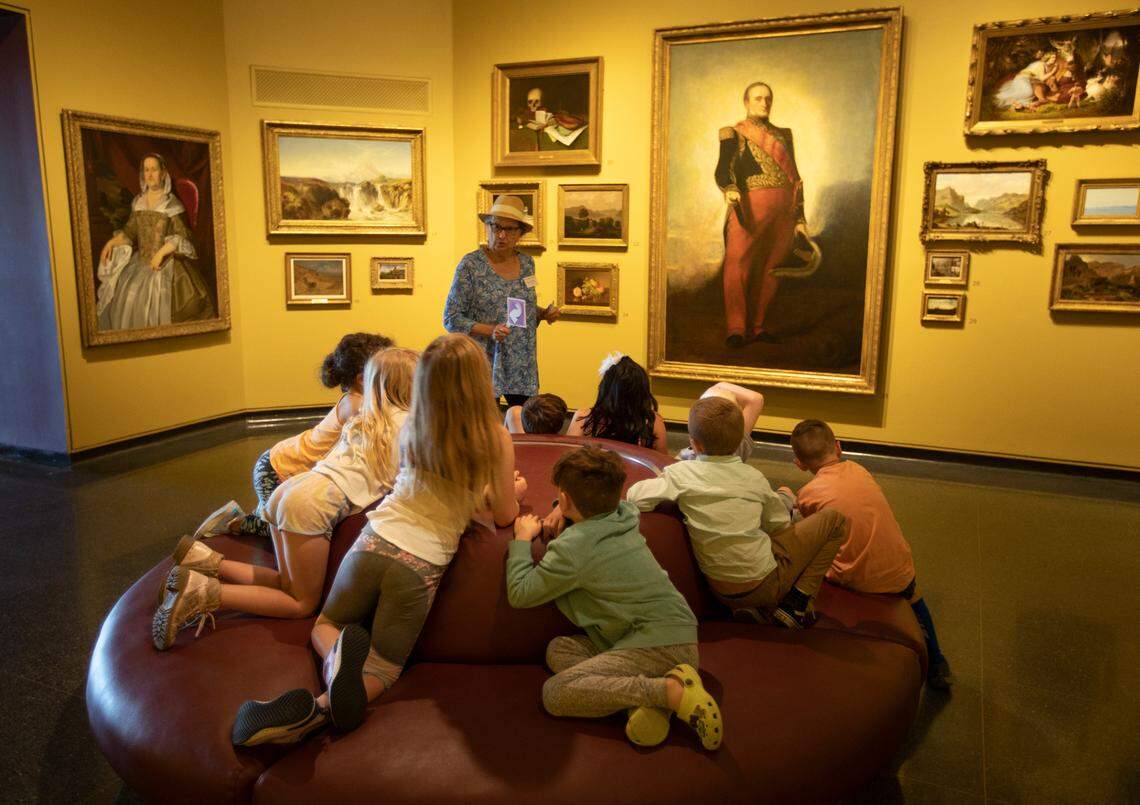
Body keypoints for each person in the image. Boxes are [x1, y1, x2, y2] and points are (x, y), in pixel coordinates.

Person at [230, 334, 525, 745]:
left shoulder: (413, 426)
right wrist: (513, 490)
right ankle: (318, 711)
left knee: (326, 624)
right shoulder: (494, 438)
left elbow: (426, 478)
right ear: (479, 380)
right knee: (382, 668)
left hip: (373, 539)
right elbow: (504, 514)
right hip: (419, 562)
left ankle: (335, 657)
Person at [152, 348, 418, 650]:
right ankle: (204, 594)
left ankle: (204, 561)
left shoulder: (364, 416)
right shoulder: (408, 424)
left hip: (292, 489)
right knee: (300, 603)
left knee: (286, 582)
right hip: (310, 504)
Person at [507, 446, 722, 750]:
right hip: (666, 634)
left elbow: (520, 593)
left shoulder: (573, 549)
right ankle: (638, 705)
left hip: (655, 644)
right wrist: (562, 506)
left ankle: (670, 693)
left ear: (566, 498)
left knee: (555, 694)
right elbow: (602, 507)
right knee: (560, 648)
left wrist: (521, 540)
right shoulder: (624, 513)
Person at [626, 397, 846, 629]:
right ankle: (797, 603)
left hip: (720, 589)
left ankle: (756, 609)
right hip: (764, 584)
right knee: (834, 521)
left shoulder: (680, 474)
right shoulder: (753, 478)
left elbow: (634, 496)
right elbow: (780, 525)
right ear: (740, 441)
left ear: (695, 444)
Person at [780, 419, 951, 689]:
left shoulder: (808, 493)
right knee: (915, 598)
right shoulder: (860, 470)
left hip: (853, 578)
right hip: (899, 570)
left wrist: (790, 500)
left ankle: (796, 611)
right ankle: (938, 662)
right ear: (838, 447)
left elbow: (806, 530)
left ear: (799, 464)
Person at [193, 333, 393, 541]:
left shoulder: (361, 399)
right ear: (362, 379)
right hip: (276, 470)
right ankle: (235, 522)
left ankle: (255, 512)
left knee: (280, 518)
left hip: (286, 463)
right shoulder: (356, 404)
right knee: (286, 531)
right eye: (389, 372)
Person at [715, 82, 816, 346]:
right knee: (738, 264)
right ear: (746, 102)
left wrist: (800, 219)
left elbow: (795, 178)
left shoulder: (785, 135)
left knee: (771, 268)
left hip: (784, 210)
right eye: (758, 98)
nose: (764, 103)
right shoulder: (733, 133)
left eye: (768, 99)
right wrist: (729, 188)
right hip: (750, 206)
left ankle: (759, 326)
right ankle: (736, 328)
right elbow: (722, 169)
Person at [443, 195, 560, 406]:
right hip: (485, 362)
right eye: (496, 227)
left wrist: (544, 313)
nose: (501, 235)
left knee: (526, 426)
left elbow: (520, 307)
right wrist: (491, 330)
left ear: (521, 233)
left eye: (510, 229)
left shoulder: (527, 263)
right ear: (487, 227)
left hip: (521, 364)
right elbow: (451, 318)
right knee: (484, 430)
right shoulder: (471, 265)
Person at [96, 153, 215, 331]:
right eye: (146, 170)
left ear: (163, 173)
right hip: (140, 263)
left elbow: (182, 236)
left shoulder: (171, 204)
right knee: (126, 298)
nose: (150, 174)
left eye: (154, 169)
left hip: (165, 265)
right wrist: (111, 243)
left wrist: (161, 253)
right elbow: (129, 232)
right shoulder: (138, 202)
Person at [566, 352, 668, 455]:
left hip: (593, 470)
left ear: (605, 388)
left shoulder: (584, 418)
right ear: (642, 391)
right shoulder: (652, 422)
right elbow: (662, 464)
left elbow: (568, 458)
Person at [675, 382, 765, 462]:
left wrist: (717, 386)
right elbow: (755, 399)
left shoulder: (683, 463)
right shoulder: (738, 447)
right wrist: (719, 386)